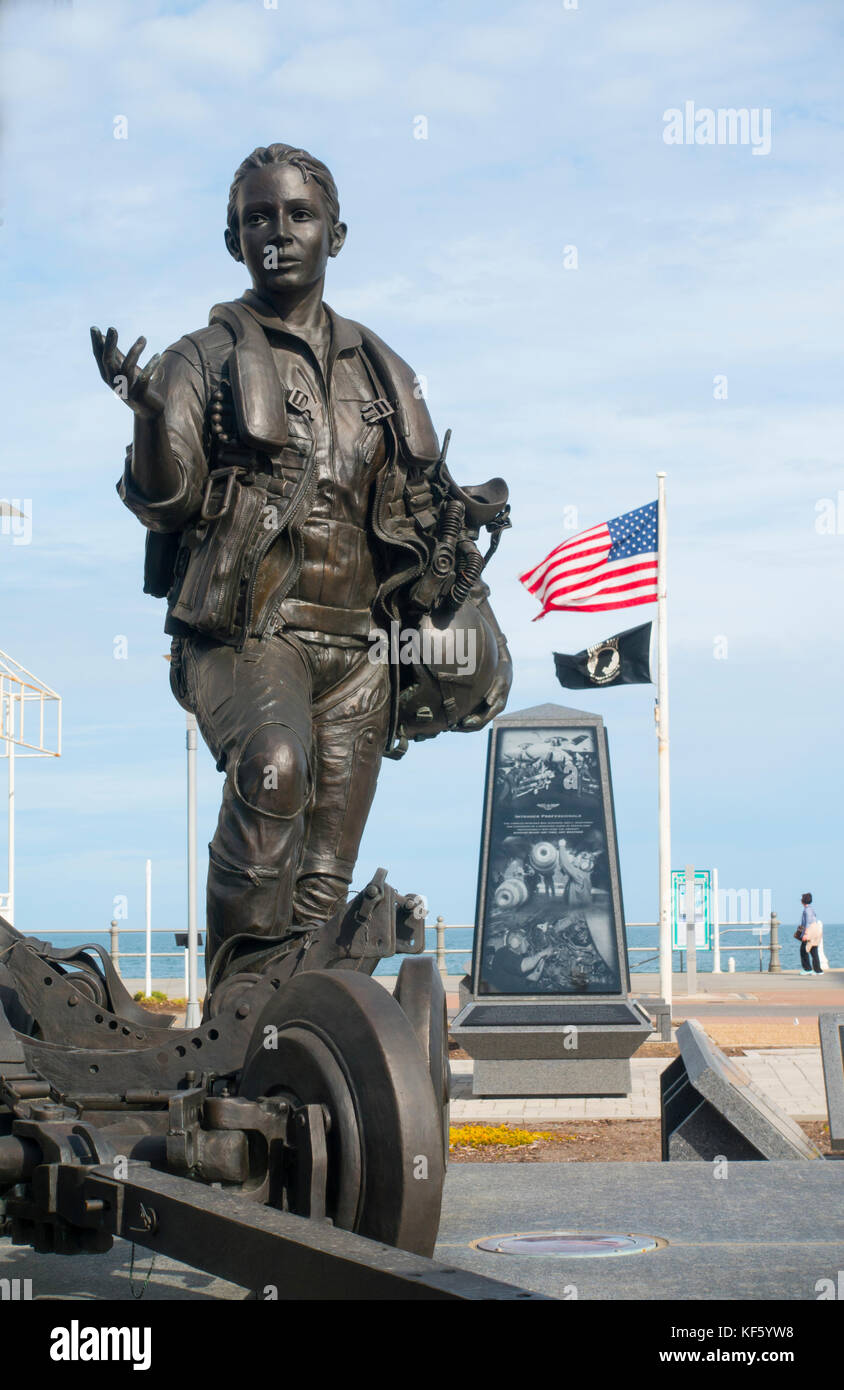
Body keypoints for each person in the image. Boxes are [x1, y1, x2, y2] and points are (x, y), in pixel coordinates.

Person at [91, 143, 512, 989]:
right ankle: (233, 1016)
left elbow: (423, 506)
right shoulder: (197, 360)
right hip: (252, 634)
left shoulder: (383, 371)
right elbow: (164, 497)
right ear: (232, 239)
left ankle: (295, 1048)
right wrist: (146, 416)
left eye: (297, 215)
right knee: (270, 770)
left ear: (337, 234)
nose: (277, 232)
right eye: (256, 218)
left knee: (322, 882)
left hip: (362, 654)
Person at [486, 929, 554, 993]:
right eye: (526, 941)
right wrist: (543, 952)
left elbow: (534, 977)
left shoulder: (517, 958)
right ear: (517, 942)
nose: (528, 945)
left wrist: (543, 958)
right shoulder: (503, 953)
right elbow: (523, 966)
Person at [798, 892, 823, 975]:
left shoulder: (807, 910)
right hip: (815, 931)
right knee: (813, 950)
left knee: (803, 950)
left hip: (810, 932)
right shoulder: (811, 909)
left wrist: (805, 934)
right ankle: (818, 970)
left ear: (803, 901)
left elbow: (808, 923)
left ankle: (807, 969)